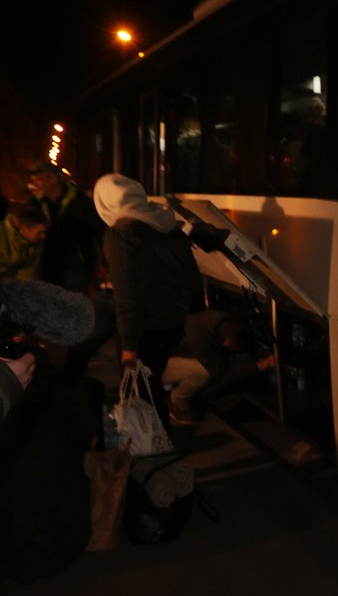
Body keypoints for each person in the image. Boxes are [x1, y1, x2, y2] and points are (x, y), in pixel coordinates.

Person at [93, 173, 201, 427]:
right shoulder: (168, 226)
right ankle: (157, 447)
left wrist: (129, 344)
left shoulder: (121, 235)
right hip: (174, 323)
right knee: (153, 386)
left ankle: (154, 452)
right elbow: (193, 277)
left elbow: (128, 295)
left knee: (142, 393)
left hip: (145, 327)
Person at [163, 309, 275, 424]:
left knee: (214, 366)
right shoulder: (200, 338)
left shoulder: (223, 322)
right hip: (161, 365)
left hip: (179, 355)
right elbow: (222, 374)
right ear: (227, 343)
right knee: (204, 372)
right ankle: (176, 402)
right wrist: (264, 364)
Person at [28, 161, 103, 293]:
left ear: (52, 179)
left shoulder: (81, 202)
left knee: (74, 306)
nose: (34, 184)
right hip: (47, 268)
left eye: (38, 180)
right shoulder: (34, 204)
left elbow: (99, 232)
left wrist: (105, 265)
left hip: (76, 268)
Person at [0, 203, 48, 280]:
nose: (43, 236)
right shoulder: (2, 237)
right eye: (40, 232)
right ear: (24, 228)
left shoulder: (36, 243)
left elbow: (28, 271)